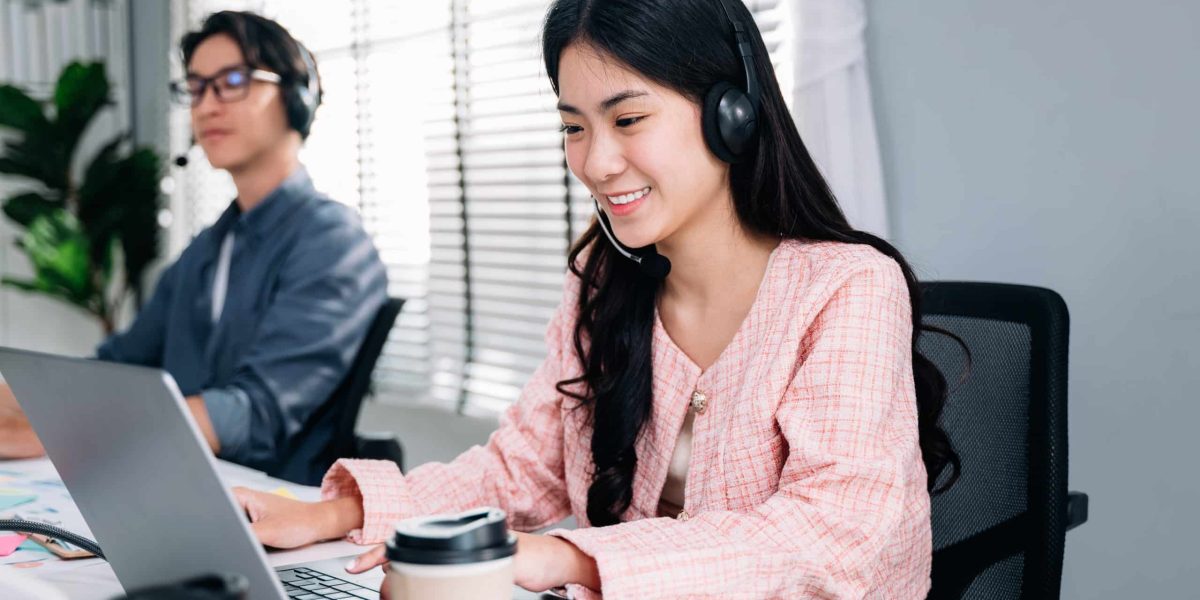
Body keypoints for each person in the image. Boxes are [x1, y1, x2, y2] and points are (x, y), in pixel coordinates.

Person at [231, 0, 960, 596]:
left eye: (628, 119)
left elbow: (832, 534)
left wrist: (570, 559)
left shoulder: (846, 287)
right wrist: (335, 514)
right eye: (574, 127)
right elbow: (523, 465)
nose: (597, 162)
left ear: (729, 115)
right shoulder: (605, 286)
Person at [0, 11, 388, 486]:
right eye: (197, 87)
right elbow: (120, 365)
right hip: (180, 480)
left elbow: (255, 414)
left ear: (296, 97)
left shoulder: (333, 242)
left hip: (277, 502)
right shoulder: (208, 248)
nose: (206, 105)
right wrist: (21, 397)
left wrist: (62, 435)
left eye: (232, 81)